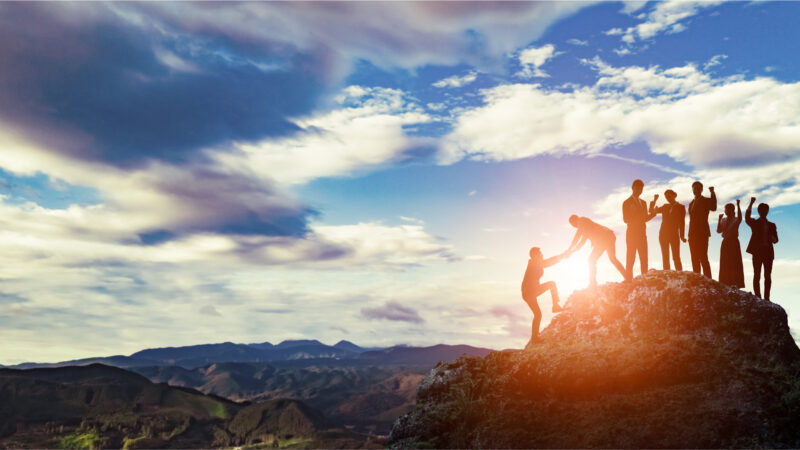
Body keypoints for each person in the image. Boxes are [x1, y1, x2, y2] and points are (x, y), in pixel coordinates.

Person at [565, 215, 629, 288]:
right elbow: (580, 239)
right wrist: (571, 251)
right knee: (612, 258)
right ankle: (627, 278)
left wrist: (569, 250)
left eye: (573, 225)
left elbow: (579, 238)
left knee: (591, 259)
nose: (574, 227)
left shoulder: (582, 221)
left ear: (574, 221)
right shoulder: (582, 225)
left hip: (604, 238)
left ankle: (593, 283)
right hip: (608, 236)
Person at [521, 247, 567, 347]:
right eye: (540, 253)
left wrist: (562, 256)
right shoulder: (534, 263)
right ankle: (555, 306)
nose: (542, 255)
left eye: (541, 253)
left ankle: (534, 338)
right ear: (535, 256)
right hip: (529, 292)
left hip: (530, 291)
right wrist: (562, 256)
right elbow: (549, 262)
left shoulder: (536, 263)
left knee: (538, 314)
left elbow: (548, 263)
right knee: (551, 284)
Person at [745, 197, 779, 301]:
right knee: (757, 274)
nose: (764, 212)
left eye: (766, 210)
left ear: (767, 211)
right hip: (757, 252)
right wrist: (751, 203)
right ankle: (758, 296)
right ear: (759, 211)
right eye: (762, 210)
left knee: (767, 276)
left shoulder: (772, 225)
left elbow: (776, 240)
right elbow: (746, 217)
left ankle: (767, 298)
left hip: (768, 253)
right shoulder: (755, 223)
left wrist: (771, 237)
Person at [622, 179, 657, 279]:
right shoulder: (626, 203)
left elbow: (645, 218)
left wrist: (653, 214)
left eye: (641, 189)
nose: (639, 190)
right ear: (632, 188)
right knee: (630, 259)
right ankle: (628, 280)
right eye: (637, 188)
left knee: (644, 259)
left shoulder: (644, 203)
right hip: (632, 235)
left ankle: (644, 280)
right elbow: (625, 219)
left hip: (642, 234)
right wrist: (632, 213)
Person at [650, 189, 686, 271]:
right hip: (663, 235)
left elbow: (682, 222)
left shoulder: (681, 207)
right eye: (666, 197)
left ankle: (680, 274)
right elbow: (651, 211)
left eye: (669, 196)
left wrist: (682, 235)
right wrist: (654, 201)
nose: (668, 198)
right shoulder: (665, 206)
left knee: (676, 257)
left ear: (674, 195)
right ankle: (667, 275)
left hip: (674, 235)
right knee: (665, 257)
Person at [688, 181, 716, 277]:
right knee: (694, 258)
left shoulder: (705, 200)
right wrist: (689, 234)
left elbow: (713, 207)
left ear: (701, 189)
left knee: (703, 257)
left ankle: (708, 280)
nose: (696, 190)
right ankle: (697, 278)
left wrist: (712, 193)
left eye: (698, 188)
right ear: (692, 189)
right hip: (692, 234)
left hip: (702, 233)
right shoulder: (691, 203)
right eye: (694, 188)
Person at [717, 200, 744, 288]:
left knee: (734, 262)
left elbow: (740, 217)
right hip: (725, 242)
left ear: (733, 210)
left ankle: (735, 282)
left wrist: (738, 205)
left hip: (734, 242)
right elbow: (718, 231)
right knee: (725, 262)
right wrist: (719, 219)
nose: (726, 211)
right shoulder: (723, 220)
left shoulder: (736, 219)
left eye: (728, 210)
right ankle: (725, 281)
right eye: (725, 210)